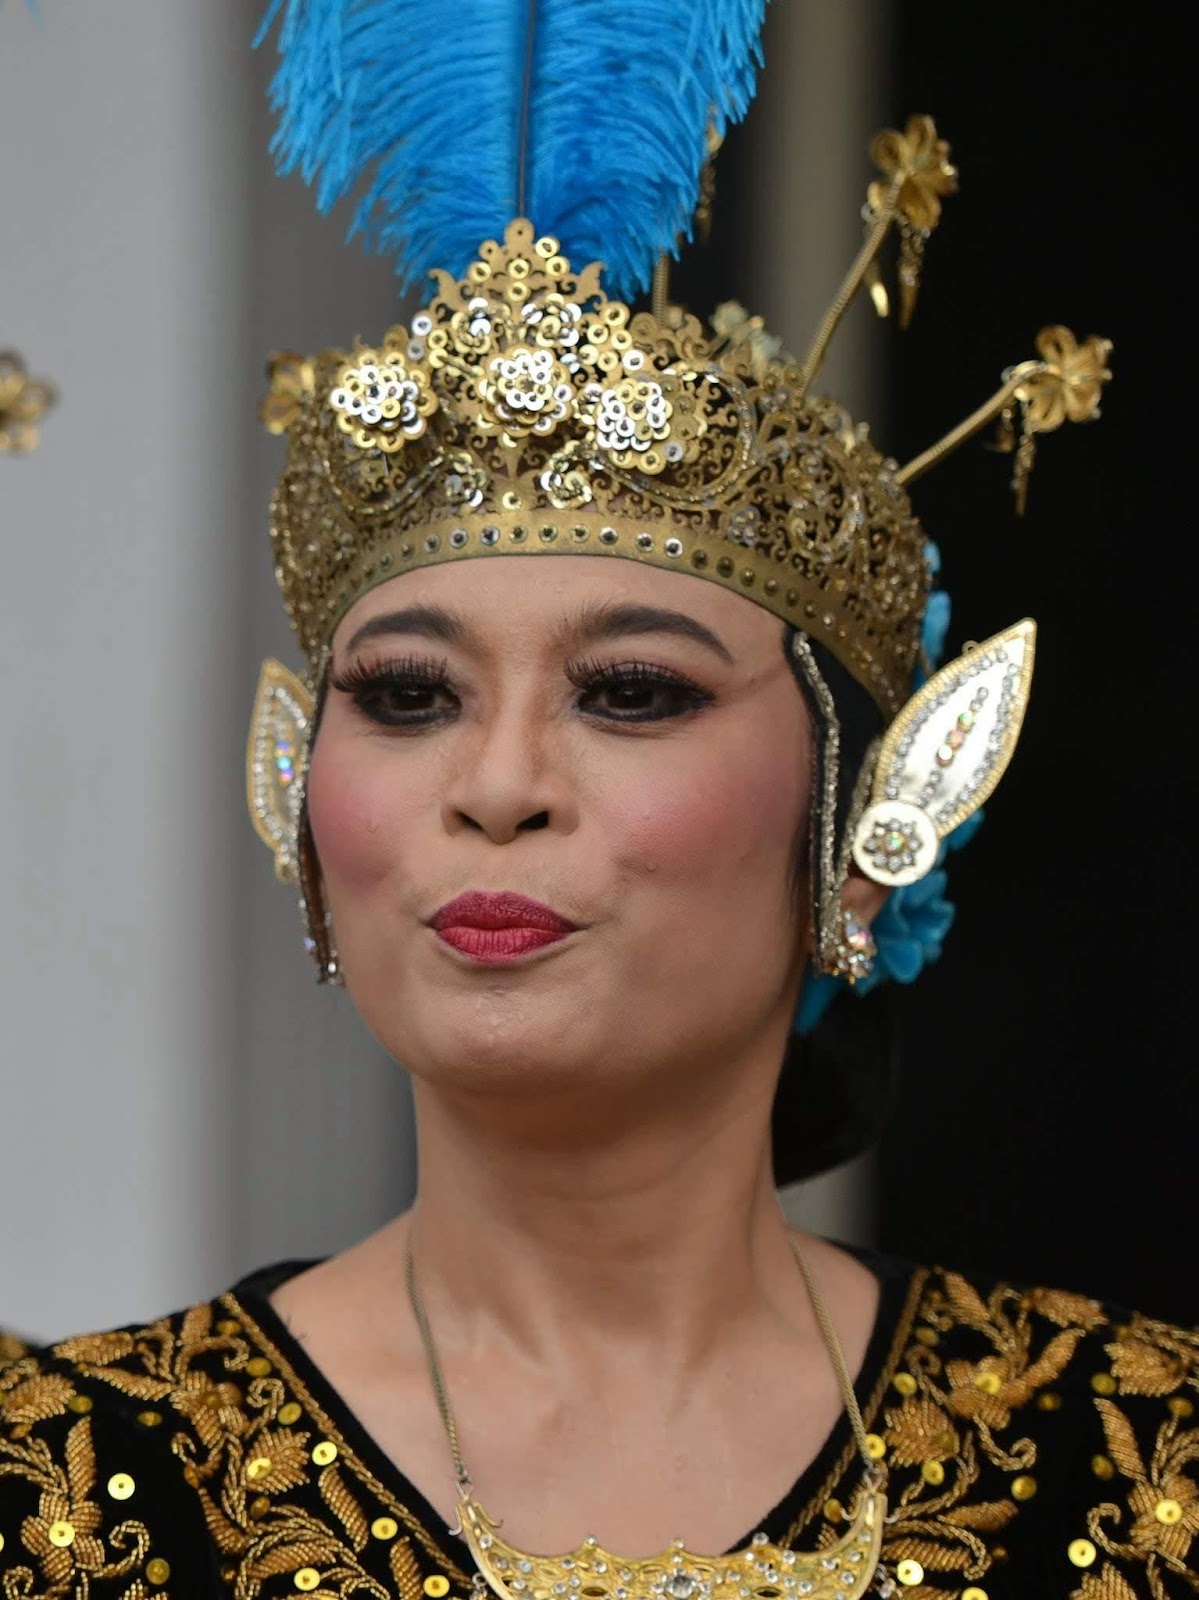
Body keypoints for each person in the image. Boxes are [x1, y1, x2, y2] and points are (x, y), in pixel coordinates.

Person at [4, 6, 1187, 1598]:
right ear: (298, 798)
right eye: (407, 697)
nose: (497, 788)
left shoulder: (1139, 1466)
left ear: (869, 824)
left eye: (631, 693)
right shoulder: (64, 1491)